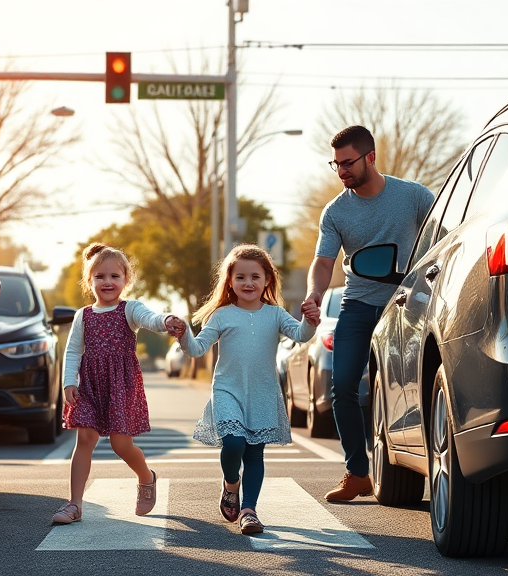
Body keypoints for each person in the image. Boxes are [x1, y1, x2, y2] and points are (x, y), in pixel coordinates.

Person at [305, 125, 435, 503]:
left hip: (408, 304)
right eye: (336, 164)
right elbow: (323, 260)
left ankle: (418, 459)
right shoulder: (336, 211)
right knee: (343, 386)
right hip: (358, 304)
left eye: (348, 162)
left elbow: (441, 241)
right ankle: (357, 473)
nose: (342, 171)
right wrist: (314, 293)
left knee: (410, 387)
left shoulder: (413, 196)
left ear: (370, 157)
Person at [177, 244, 321, 535]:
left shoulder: (275, 314)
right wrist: (183, 334)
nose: (248, 283)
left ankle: (249, 511)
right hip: (228, 391)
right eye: (240, 277)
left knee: (255, 455)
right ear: (230, 281)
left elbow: (301, 334)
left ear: (267, 279)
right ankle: (231, 483)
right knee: (233, 443)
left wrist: (311, 320)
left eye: (255, 276)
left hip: (263, 393)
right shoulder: (221, 316)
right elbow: (196, 349)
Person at [51, 242, 187, 525]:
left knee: (120, 445)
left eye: (115, 276)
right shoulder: (83, 315)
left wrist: (167, 320)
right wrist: (68, 383)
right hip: (88, 385)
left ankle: (146, 477)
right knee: (85, 438)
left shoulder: (130, 309)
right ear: (89, 281)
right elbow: (73, 350)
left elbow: (150, 319)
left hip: (120, 386)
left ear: (126, 279)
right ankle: (74, 504)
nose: (107, 282)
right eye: (99, 276)